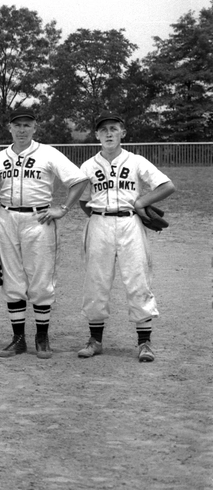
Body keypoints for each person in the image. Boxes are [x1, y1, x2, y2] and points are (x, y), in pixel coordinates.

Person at [0, 108, 88, 359]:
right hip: (7, 218)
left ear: (35, 127)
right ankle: (18, 338)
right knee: (12, 280)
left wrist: (63, 208)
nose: (22, 129)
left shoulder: (48, 153)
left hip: (39, 219)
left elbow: (79, 179)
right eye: (17, 125)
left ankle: (42, 337)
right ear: (9, 128)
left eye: (27, 125)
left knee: (41, 280)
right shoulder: (0, 157)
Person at [76, 111, 175, 363]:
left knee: (138, 278)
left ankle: (144, 343)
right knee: (96, 281)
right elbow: (83, 200)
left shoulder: (136, 161)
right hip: (98, 223)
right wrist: (101, 216)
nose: (109, 133)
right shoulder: (88, 166)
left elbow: (167, 186)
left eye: (113, 128)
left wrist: (141, 201)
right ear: (97, 135)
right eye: (103, 130)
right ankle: (95, 340)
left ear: (123, 133)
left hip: (130, 223)